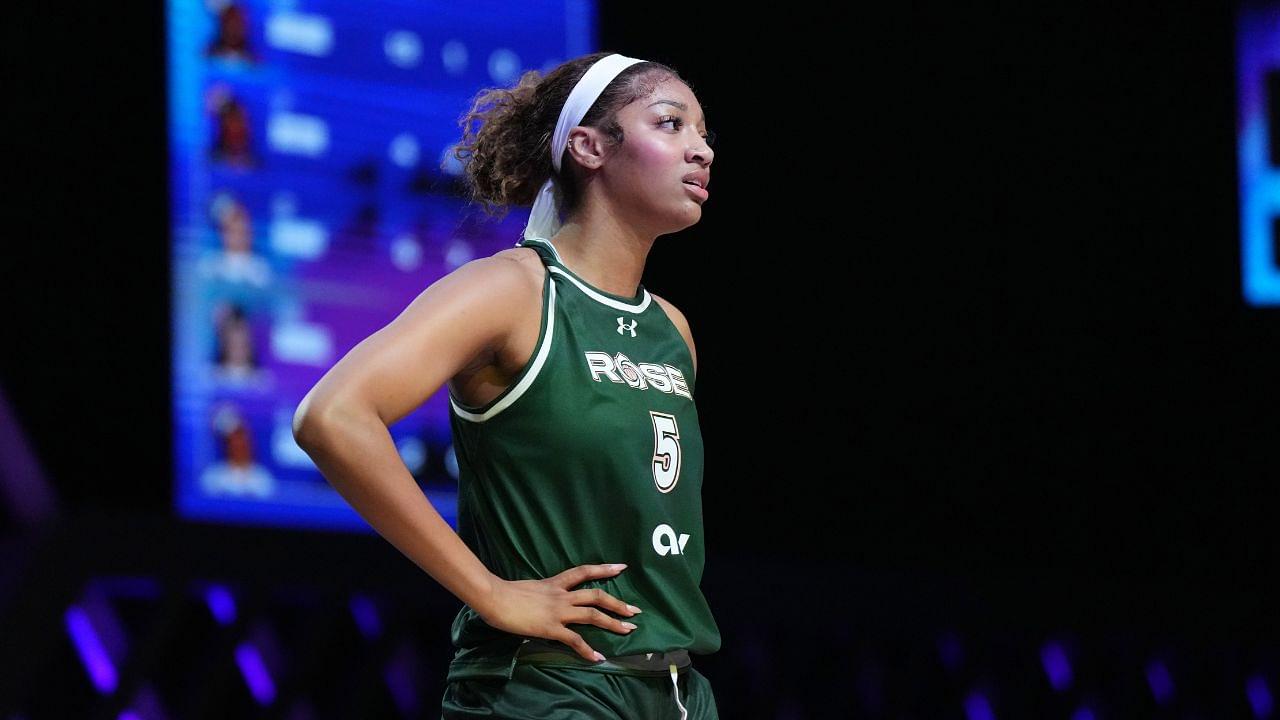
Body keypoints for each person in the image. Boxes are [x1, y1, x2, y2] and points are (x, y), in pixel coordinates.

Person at [292, 51, 720, 719]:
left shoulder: (672, 330)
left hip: (677, 692)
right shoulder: (512, 291)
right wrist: (489, 591)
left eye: (703, 134)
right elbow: (333, 415)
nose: (700, 150)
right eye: (671, 125)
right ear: (588, 147)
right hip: (545, 687)